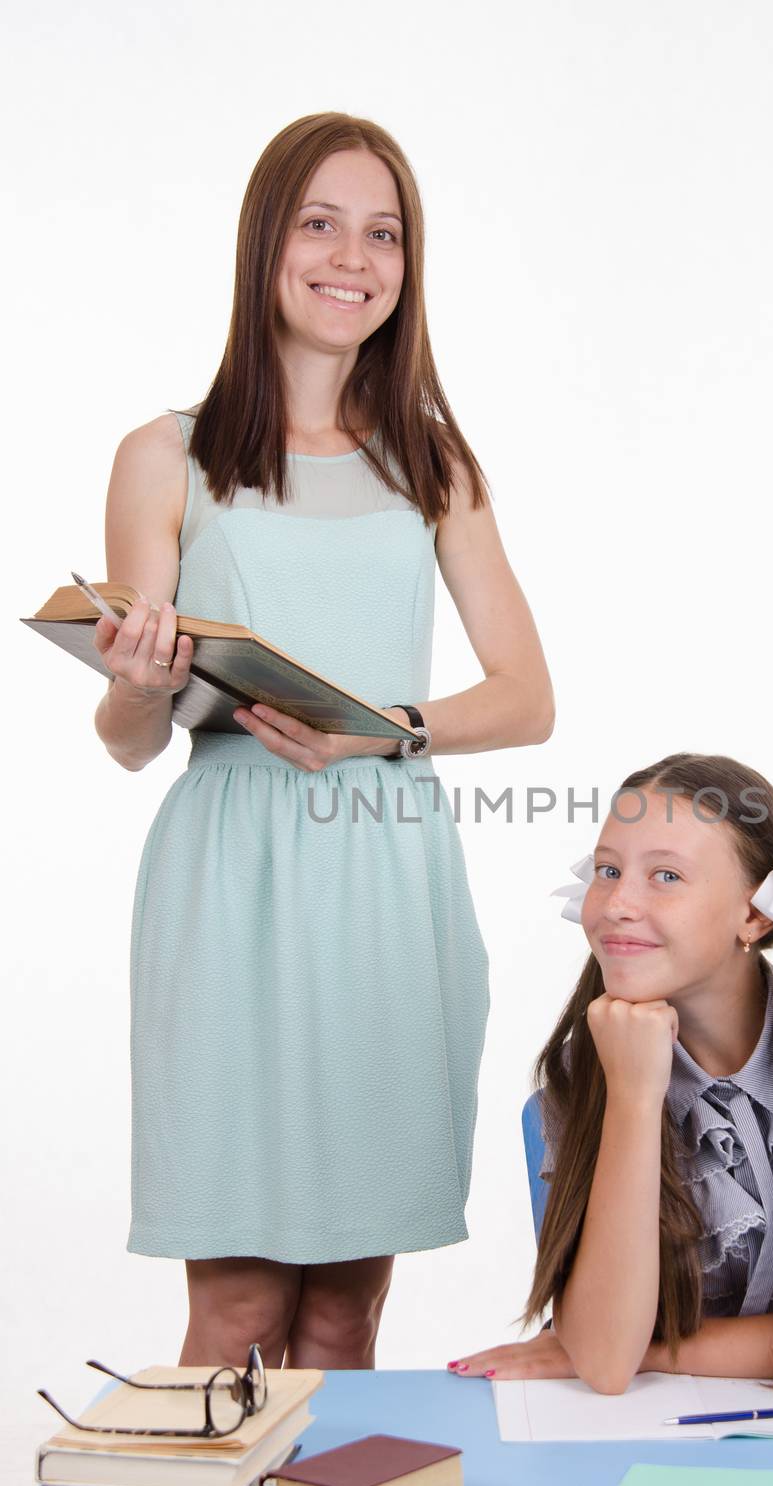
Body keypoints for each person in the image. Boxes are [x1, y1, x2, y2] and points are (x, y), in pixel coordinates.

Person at [91, 112, 554, 1371]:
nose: (353, 257)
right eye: (320, 222)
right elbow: (130, 738)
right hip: (227, 880)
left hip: (383, 870)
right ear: (266, 244)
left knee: (344, 1312)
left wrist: (386, 732)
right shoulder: (165, 457)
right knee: (235, 1308)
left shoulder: (433, 464)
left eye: (384, 232)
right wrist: (138, 679)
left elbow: (525, 696)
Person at [447, 753, 773, 1401]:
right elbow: (605, 1365)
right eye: (607, 871)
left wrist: (651, 1351)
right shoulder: (589, 1065)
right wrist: (633, 1098)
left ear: (755, 915)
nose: (616, 905)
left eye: (664, 875)